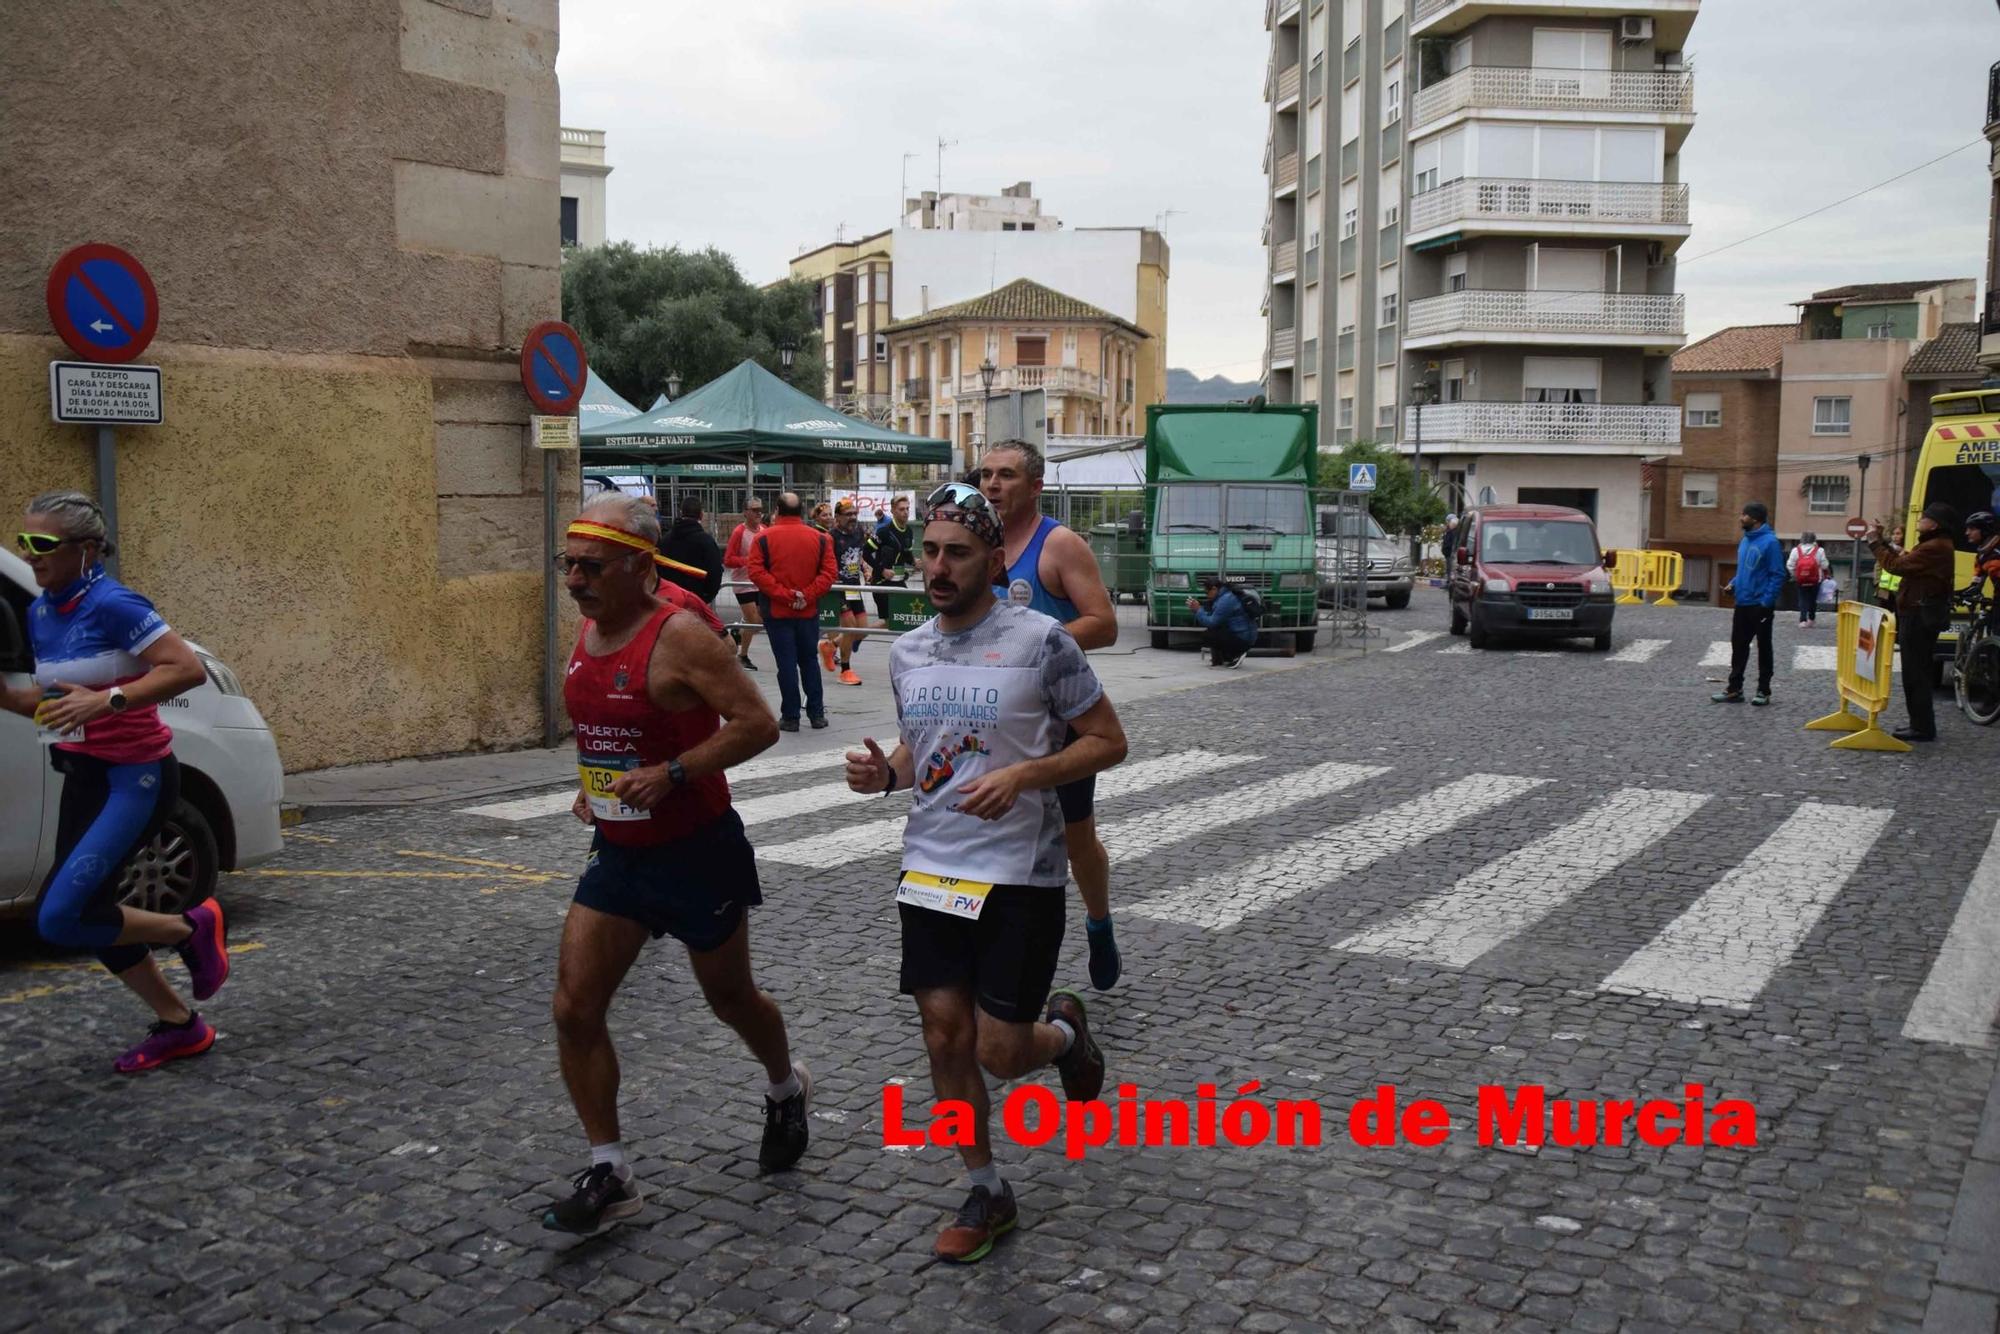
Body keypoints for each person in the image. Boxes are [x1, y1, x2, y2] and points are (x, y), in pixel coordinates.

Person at [844, 482, 1127, 1264]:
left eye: (957, 553)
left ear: (994, 560)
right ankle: (987, 1188)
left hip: (1018, 877)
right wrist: (888, 776)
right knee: (944, 1038)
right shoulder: (907, 651)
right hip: (931, 869)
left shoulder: (1043, 642)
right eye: (930, 550)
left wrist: (1026, 777)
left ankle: (1065, 1034)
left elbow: (1108, 740)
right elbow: (921, 749)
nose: (938, 566)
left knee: (1001, 1053)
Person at [546, 494, 810, 1236]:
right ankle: (611, 1169)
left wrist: (673, 773)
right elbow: (609, 722)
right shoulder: (590, 627)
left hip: (698, 850)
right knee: (574, 1006)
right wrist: (593, 782)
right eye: (569, 564)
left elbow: (758, 724)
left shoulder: (683, 637)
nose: (574, 580)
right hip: (621, 852)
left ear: (638, 566)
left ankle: (785, 1086)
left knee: (731, 1000)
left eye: (590, 566)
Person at [1, 491, 232, 1073]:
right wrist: (11, 699)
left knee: (58, 916)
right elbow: (55, 701)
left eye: (43, 544)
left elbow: (186, 668)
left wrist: (108, 702)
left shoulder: (114, 604)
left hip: (138, 778)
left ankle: (191, 926)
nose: (29, 555)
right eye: (24, 541)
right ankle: (182, 1026)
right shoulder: (40, 611)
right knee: (89, 912)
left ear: (86, 550)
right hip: (84, 775)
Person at [979, 440, 1125, 992]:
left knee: (1076, 838)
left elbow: (1104, 624)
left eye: (1007, 475)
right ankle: (995, 949)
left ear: (1035, 485)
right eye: (987, 474)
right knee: (990, 829)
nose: (993, 485)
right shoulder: (976, 542)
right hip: (994, 718)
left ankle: (1098, 922)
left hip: (1059, 719)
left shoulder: (1059, 544)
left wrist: (1038, 643)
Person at [1867, 503, 1960, 743]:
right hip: (1917, 612)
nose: (1920, 520)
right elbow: (1904, 558)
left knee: (1915, 672)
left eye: (1925, 518)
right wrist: (1884, 541)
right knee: (1916, 670)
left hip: (1919, 615)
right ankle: (1919, 723)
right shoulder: (1934, 544)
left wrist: (1875, 543)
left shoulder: (1935, 547)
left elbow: (1896, 565)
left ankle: (1922, 727)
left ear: (1935, 524)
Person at [746, 492, 838, 732]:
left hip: (777, 612)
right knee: (809, 661)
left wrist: (785, 595)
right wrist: (805, 595)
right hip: (807, 611)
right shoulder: (820, 539)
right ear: (801, 512)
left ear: (777, 509)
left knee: (785, 664)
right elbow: (829, 574)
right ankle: (816, 713)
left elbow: (755, 572)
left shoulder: (763, 538)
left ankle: (791, 716)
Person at [1713, 501, 1785, 707]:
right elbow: (1745, 570)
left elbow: (1778, 574)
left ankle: (1764, 690)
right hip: (1742, 603)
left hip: (1760, 605)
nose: (1740, 518)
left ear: (1756, 519)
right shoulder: (1745, 541)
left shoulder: (1770, 543)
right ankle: (1734, 689)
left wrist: (1766, 602)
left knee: (1764, 648)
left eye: (1744, 515)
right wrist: (1733, 584)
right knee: (1738, 647)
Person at [819, 499, 870, 686]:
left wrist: (865, 570)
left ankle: (830, 646)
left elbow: (859, 555)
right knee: (849, 627)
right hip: (838, 588)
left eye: (854, 513)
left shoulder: (859, 532)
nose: (853, 518)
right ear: (838, 517)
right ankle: (846, 670)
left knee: (862, 629)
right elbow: (823, 563)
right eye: (848, 514)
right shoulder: (830, 537)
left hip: (854, 586)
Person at [722, 499, 767, 671]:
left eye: (760, 510)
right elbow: (728, 560)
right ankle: (743, 656)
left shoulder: (764, 530)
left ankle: (737, 633)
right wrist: (748, 561)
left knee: (760, 621)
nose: (758, 513)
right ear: (745, 512)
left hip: (760, 582)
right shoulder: (739, 532)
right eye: (754, 510)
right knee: (753, 621)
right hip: (743, 582)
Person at [660, 495, 724, 609]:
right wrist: (705, 597)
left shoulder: (665, 540)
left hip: (669, 601)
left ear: (681, 513)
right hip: (696, 601)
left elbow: (659, 569)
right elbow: (715, 572)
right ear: (701, 514)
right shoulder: (707, 542)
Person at [866, 493, 917, 622]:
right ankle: (854, 635)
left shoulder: (909, 531)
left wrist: (915, 562)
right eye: (901, 509)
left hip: (898, 581)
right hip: (881, 582)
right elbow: (865, 552)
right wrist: (882, 570)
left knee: (905, 619)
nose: (905, 512)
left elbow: (906, 556)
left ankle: (852, 635)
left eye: (907, 508)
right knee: (890, 622)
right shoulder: (884, 531)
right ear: (893, 511)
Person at [1187, 575, 1258, 667]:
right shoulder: (1226, 595)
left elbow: (1211, 622)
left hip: (1243, 638)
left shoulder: (1226, 600)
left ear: (1214, 589)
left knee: (1209, 635)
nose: (1207, 596)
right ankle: (1226, 657)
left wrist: (1198, 610)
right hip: (1246, 635)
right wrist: (1199, 610)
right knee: (1214, 631)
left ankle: (1235, 654)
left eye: (1207, 592)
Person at [1787, 531, 1829, 627]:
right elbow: (1825, 565)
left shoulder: (1795, 550)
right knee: (1812, 599)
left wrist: (1794, 574)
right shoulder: (1819, 550)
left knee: (1802, 598)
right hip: (1815, 580)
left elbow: (1790, 565)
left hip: (1801, 579)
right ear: (1814, 539)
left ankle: (1802, 620)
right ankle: (1811, 618)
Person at [1876, 526, 1904, 612]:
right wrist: (1877, 582)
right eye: (1893, 534)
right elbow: (1878, 566)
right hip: (1885, 590)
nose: (1895, 536)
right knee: (1884, 615)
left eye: (1898, 534)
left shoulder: (1907, 550)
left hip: (1900, 590)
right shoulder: (1887, 549)